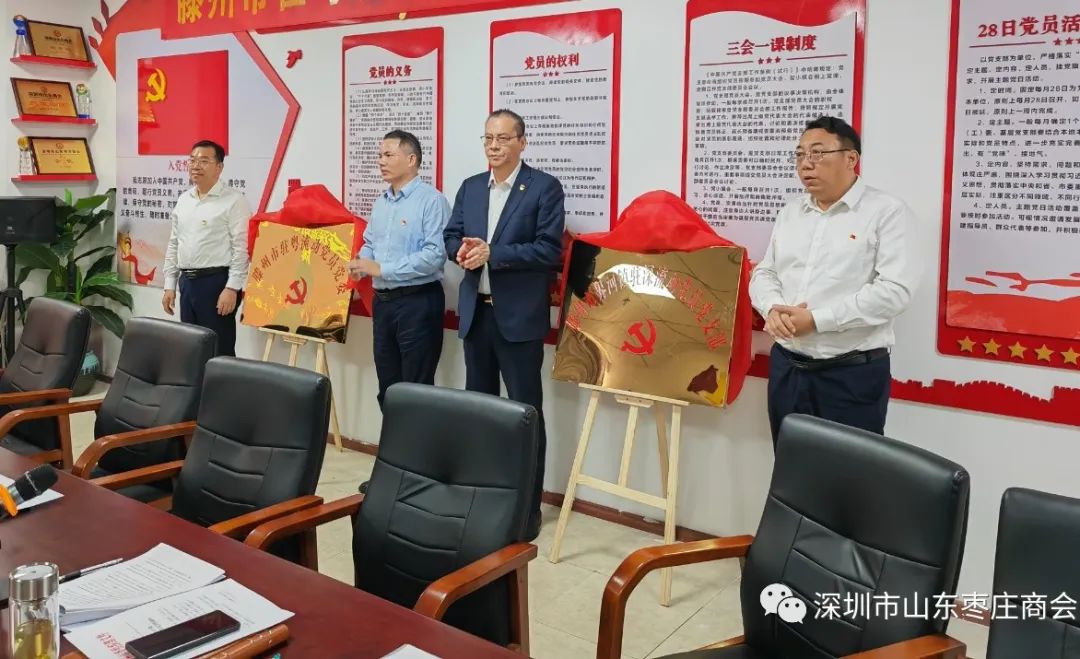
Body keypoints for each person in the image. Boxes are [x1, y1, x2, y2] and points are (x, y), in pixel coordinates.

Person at [749, 116, 920, 446]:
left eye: (817, 153)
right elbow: (765, 273)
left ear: (851, 158)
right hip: (788, 368)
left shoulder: (887, 212)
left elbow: (894, 292)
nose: (805, 164)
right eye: (800, 155)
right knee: (791, 467)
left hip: (849, 376)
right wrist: (773, 309)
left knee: (850, 472)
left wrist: (816, 320)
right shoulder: (791, 213)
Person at [444, 109, 565, 540]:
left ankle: (527, 509)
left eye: (503, 138)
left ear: (521, 142)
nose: (494, 146)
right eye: (488, 139)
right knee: (479, 413)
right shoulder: (472, 187)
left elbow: (549, 250)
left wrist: (494, 252)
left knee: (524, 415)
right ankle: (480, 497)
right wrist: (462, 251)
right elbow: (452, 234)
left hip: (518, 320)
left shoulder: (544, 188)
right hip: (477, 315)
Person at [349, 130, 450, 408]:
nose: (381, 161)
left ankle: (416, 439)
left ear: (411, 159)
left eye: (388, 155)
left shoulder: (432, 201)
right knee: (388, 387)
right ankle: (392, 437)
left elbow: (435, 256)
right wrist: (362, 263)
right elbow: (370, 242)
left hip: (417, 303)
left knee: (416, 391)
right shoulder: (382, 201)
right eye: (380, 155)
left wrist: (381, 269)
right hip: (384, 304)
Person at [162, 140, 251, 357]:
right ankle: (196, 382)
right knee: (191, 349)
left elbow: (241, 248)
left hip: (217, 284)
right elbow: (174, 243)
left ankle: (223, 382)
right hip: (187, 283)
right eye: (192, 160)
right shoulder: (184, 200)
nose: (195, 166)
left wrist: (232, 288)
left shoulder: (234, 201)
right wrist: (169, 285)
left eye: (203, 161)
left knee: (219, 350)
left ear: (219, 167)